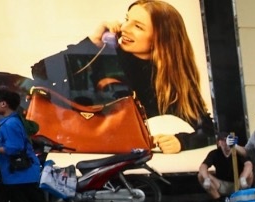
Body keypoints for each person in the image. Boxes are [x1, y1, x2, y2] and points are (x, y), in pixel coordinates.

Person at [86, 0, 216, 153]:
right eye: (127, 20)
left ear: (160, 38)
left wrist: (182, 142)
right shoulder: (106, 60)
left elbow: (210, 131)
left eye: (138, 26)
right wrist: (91, 44)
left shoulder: (173, 78)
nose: (124, 28)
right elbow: (57, 92)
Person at [0, 89, 78, 202]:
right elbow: (15, 144)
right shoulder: (13, 121)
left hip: (18, 173)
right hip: (21, 172)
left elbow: (14, 148)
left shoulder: (9, 124)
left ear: (4, 104)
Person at [198, 133, 250, 202]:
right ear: (219, 143)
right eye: (223, 140)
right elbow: (203, 166)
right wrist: (206, 179)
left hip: (238, 183)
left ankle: (243, 199)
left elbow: (248, 163)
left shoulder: (237, 152)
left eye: (227, 140)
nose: (226, 143)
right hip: (221, 184)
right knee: (201, 175)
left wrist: (243, 178)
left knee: (250, 174)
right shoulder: (214, 153)